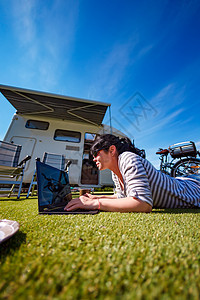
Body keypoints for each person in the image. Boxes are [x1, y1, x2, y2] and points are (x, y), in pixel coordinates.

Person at [64, 134, 200, 213]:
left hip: (194, 188)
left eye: (96, 153)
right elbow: (123, 197)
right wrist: (95, 197)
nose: (93, 158)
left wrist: (94, 204)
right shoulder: (115, 171)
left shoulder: (128, 159)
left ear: (112, 150)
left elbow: (142, 204)